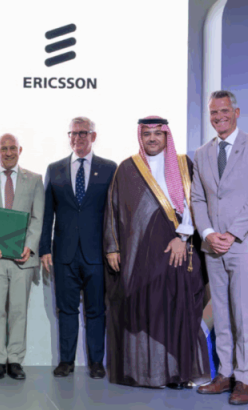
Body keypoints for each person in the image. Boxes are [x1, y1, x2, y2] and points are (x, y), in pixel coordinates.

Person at [104, 116, 210, 388]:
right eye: (147, 133)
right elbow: (113, 210)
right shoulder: (127, 168)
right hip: (140, 255)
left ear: (166, 136)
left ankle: (176, 374)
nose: (152, 138)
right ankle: (146, 373)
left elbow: (195, 203)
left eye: (157, 133)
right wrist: (113, 247)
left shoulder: (184, 164)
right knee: (146, 309)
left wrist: (183, 237)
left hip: (178, 250)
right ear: (140, 136)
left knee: (175, 309)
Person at [39, 117, 116, 379]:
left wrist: (114, 247)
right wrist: (44, 249)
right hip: (64, 254)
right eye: (73, 133)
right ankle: (66, 362)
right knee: (66, 310)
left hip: (97, 254)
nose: (78, 138)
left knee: (96, 311)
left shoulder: (109, 168)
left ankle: (96, 363)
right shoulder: (55, 169)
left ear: (93, 136)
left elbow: (114, 213)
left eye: (83, 133)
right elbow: (47, 213)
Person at [192, 91, 248, 405]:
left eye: (224, 111)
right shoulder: (202, 153)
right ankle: (224, 374)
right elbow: (198, 199)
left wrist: (233, 233)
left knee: (244, 315)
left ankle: (245, 378)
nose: (219, 117)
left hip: (242, 244)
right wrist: (209, 233)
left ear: (236, 112)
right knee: (222, 315)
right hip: (212, 246)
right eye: (214, 112)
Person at [0, 133, 44, 380]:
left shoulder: (35, 180)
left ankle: (14, 360)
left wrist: (30, 246)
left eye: (12, 148)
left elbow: (37, 217)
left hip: (22, 258)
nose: (8, 153)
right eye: (3, 149)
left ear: (20, 150)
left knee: (18, 311)